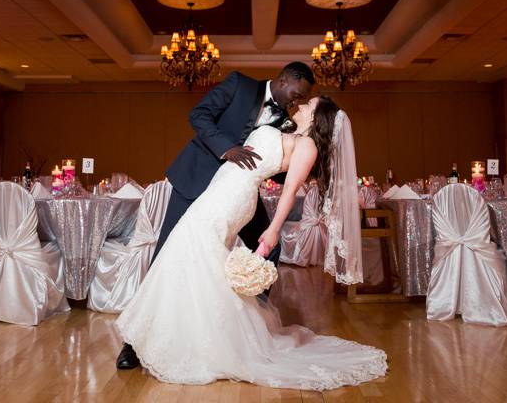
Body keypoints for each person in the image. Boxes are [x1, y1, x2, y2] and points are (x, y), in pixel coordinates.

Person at [116, 96, 388, 390]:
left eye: (309, 106)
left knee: (192, 246)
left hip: (233, 197)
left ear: (317, 117)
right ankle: (181, 332)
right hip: (220, 190)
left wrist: (272, 230)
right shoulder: (292, 134)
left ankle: (199, 341)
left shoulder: (307, 146)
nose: (301, 107)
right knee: (192, 252)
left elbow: (289, 191)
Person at [116, 62, 314, 370]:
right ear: (285, 78)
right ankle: (134, 343)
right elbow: (199, 115)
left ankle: (249, 325)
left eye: (302, 99)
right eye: (296, 93)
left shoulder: (284, 118)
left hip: (235, 194)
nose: (296, 102)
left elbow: (269, 160)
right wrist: (228, 148)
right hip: (198, 181)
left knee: (270, 247)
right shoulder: (239, 84)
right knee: (168, 253)